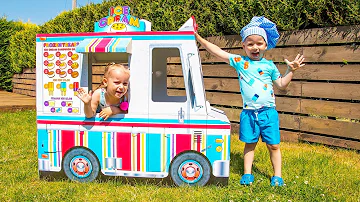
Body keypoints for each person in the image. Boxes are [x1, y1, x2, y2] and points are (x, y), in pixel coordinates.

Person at [195, 16, 305, 186]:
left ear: (266, 45)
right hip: (248, 113)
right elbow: (218, 51)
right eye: (250, 43)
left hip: (268, 113)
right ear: (243, 46)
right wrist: (198, 37)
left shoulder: (270, 66)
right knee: (250, 144)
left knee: (274, 145)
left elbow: (282, 85)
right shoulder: (240, 62)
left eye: (259, 43)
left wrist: (291, 70)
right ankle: (247, 174)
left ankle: (277, 176)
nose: (255, 47)